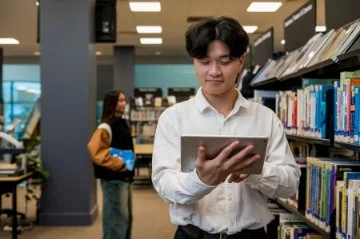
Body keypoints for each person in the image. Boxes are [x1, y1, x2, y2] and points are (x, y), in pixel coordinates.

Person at [151, 16, 301, 239]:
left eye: (224, 61)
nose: (214, 71)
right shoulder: (174, 118)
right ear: (194, 62)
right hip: (193, 235)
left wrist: (254, 170)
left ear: (240, 61)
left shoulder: (265, 118)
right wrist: (202, 179)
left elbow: (290, 183)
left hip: (252, 235)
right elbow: (165, 186)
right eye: (204, 61)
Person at [88, 89, 133, 239]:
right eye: (120, 100)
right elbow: (95, 151)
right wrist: (118, 163)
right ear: (111, 104)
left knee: (124, 219)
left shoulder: (121, 123)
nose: (124, 103)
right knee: (115, 221)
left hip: (124, 179)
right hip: (113, 181)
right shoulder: (105, 127)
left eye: (124, 100)